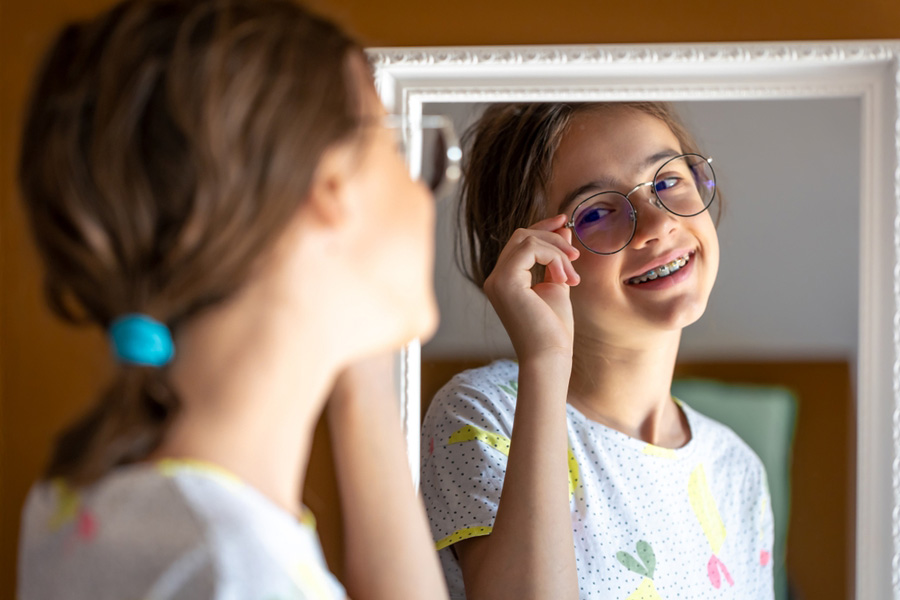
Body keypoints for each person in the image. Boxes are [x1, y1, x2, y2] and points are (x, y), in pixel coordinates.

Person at [16, 1, 452, 599]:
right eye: (400, 152)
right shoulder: (236, 572)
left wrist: (355, 362)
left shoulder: (79, 502)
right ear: (331, 185)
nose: (424, 193)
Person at [420, 102, 774, 600]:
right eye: (598, 211)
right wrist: (545, 361)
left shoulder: (737, 470)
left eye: (667, 182)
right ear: (535, 261)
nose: (658, 223)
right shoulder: (483, 414)